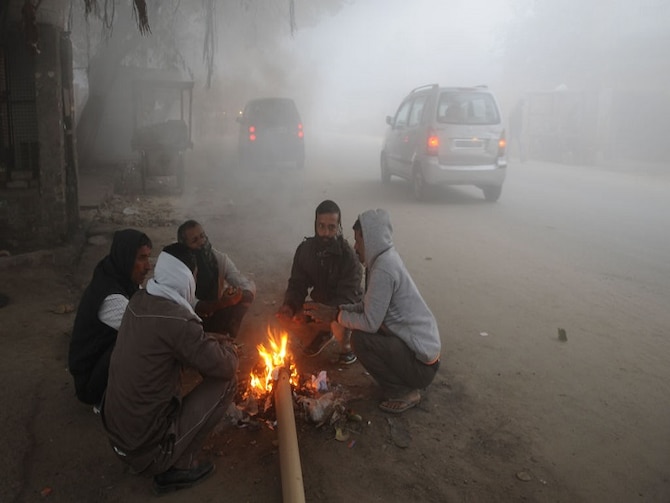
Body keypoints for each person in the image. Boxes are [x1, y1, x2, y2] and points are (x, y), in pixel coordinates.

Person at [102, 243, 238, 495]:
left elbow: (171, 339)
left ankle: (159, 454)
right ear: (185, 277)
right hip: (148, 453)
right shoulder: (178, 322)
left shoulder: (139, 299)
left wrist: (206, 339)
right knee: (227, 381)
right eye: (194, 276)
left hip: (119, 440)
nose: (195, 283)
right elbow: (225, 367)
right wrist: (230, 350)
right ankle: (179, 468)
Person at [304, 209, 441, 414]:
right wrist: (337, 310)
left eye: (359, 241)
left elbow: (370, 322)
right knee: (364, 333)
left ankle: (403, 391)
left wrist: (335, 316)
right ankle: (398, 381)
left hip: (422, 367)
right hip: (419, 355)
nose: (355, 246)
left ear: (371, 241)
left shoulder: (383, 269)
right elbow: (369, 306)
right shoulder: (381, 260)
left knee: (361, 340)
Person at [68, 228, 152, 407]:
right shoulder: (110, 296)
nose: (148, 266)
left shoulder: (119, 278)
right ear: (126, 258)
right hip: (90, 384)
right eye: (141, 258)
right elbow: (147, 330)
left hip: (101, 364)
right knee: (138, 341)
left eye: (148, 257)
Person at [276, 199, 363, 364]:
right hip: (321, 305)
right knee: (289, 318)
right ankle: (320, 335)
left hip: (345, 308)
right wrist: (290, 306)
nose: (325, 233)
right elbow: (297, 284)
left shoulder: (349, 257)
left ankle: (347, 347)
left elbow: (349, 297)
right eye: (321, 226)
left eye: (331, 227)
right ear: (315, 225)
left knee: (340, 323)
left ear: (339, 227)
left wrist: (325, 313)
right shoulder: (305, 250)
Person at [177, 220, 255, 339]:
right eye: (195, 240)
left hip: (214, 312)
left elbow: (245, 283)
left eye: (202, 236)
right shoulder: (180, 267)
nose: (202, 242)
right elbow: (189, 303)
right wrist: (222, 303)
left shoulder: (219, 259)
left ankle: (226, 335)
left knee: (243, 298)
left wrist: (240, 295)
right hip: (188, 320)